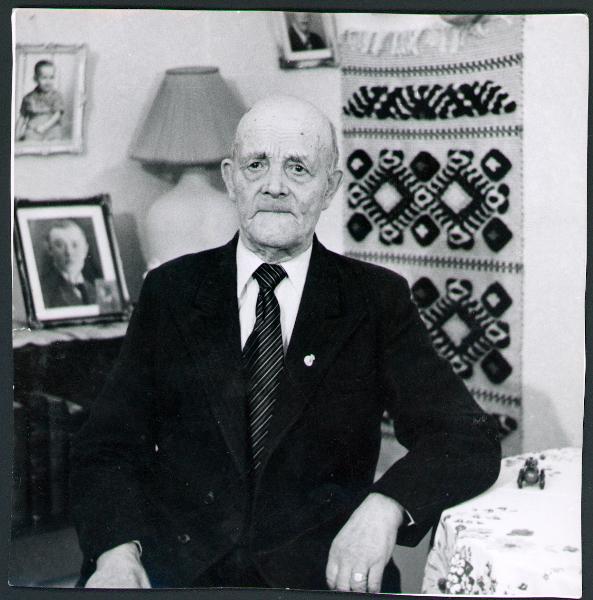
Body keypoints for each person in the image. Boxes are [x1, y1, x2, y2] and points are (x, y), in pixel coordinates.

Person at [70, 95, 501, 593]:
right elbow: (106, 445)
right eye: (257, 165)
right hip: (179, 569)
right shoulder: (171, 290)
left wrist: (385, 507)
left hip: (319, 574)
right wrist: (118, 551)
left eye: (298, 168)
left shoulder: (375, 299)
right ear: (231, 178)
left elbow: (466, 436)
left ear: (330, 187)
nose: (274, 186)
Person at [40, 219, 97, 308]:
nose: (69, 252)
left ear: (85, 249)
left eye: (75, 245)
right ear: (50, 250)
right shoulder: (43, 291)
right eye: (60, 245)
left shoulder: (96, 290)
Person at [16, 59, 65, 142]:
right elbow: (22, 117)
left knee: (55, 143)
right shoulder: (28, 97)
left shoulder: (56, 96)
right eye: (44, 77)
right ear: (35, 78)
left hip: (51, 129)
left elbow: (58, 114)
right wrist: (15, 135)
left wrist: (45, 127)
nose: (48, 81)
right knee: (28, 142)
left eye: (51, 77)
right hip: (34, 130)